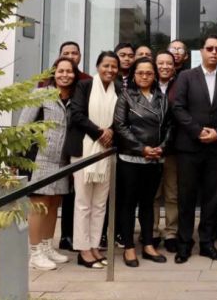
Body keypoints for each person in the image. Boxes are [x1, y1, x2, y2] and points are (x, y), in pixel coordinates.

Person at [172, 34, 217, 263]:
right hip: (189, 147)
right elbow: (178, 107)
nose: (214, 52)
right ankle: (184, 244)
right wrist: (197, 131)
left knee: (213, 198)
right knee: (186, 197)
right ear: (201, 51)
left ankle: (207, 243)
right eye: (209, 48)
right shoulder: (186, 76)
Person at [21, 57, 79, 270]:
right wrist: (18, 157)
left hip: (62, 161)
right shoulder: (40, 94)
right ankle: (35, 252)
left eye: (69, 71)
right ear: (54, 73)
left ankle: (47, 246)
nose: (65, 75)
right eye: (61, 71)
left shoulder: (75, 99)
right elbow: (23, 125)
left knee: (54, 204)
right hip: (40, 158)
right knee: (39, 205)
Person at [113, 57, 171, 267]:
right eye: (140, 73)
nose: (145, 76)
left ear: (155, 75)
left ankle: (148, 244)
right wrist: (141, 148)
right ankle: (129, 247)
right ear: (134, 75)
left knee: (148, 203)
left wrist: (162, 147)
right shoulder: (126, 96)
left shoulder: (162, 98)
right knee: (128, 203)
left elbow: (169, 126)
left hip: (155, 158)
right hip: (131, 158)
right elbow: (120, 126)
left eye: (149, 73)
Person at [66, 51, 119, 268]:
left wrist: (111, 131)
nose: (110, 70)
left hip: (107, 152)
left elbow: (122, 118)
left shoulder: (119, 90)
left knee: (100, 204)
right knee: (83, 203)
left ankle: (95, 245)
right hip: (84, 150)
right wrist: (100, 133)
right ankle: (83, 249)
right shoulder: (84, 86)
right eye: (106, 65)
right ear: (98, 66)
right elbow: (77, 114)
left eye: (114, 66)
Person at [53, 41, 91, 252]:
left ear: (80, 56)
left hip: (79, 145)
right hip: (53, 148)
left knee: (78, 193)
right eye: (66, 53)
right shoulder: (47, 84)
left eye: (74, 53)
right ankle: (64, 236)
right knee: (58, 193)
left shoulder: (86, 82)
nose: (71, 56)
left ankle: (78, 236)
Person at [153, 51, 180, 252]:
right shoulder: (147, 82)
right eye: (160, 63)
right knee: (152, 194)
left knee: (172, 193)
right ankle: (152, 231)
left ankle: (171, 232)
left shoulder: (181, 84)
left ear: (174, 66)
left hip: (172, 148)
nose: (164, 67)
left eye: (168, 63)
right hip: (150, 149)